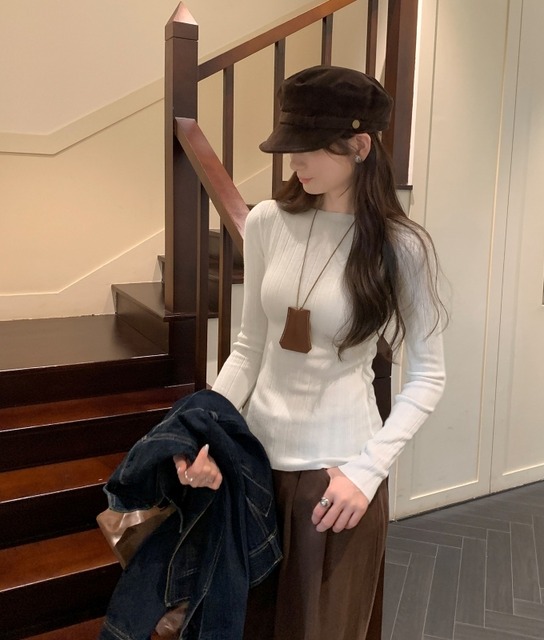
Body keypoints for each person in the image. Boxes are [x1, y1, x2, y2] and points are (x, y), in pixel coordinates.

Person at [173, 65, 447, 640]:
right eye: (289, 144)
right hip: (252, 468)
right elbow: (248, 349)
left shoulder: (401, 246)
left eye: (309, 147)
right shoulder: (267, 222)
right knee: (245, 625)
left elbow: (428, 376)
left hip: (336, 478)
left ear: (360, 146)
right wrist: (207, 432)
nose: (293, 161)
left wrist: (367, 472)